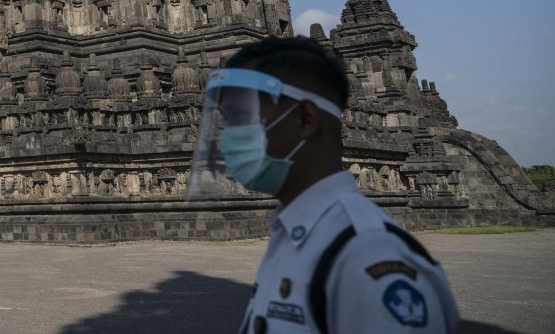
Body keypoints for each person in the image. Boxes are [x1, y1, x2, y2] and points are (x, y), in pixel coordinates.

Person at [187, 36, 459, 333]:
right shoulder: (292, 236)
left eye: (241, 116)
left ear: (305, 118)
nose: (229, 135)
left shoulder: (366, 255)